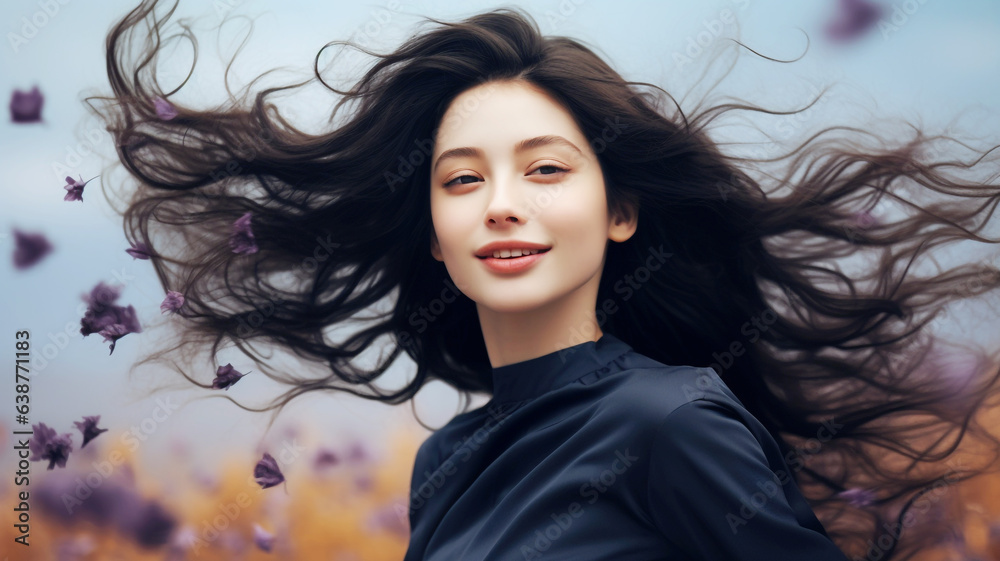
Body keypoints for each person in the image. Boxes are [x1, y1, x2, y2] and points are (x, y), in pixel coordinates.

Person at [89, 1, 1000, 559]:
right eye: (462, 179)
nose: (502, 206)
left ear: (620, 212)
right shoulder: (448, 462)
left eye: (547, 169)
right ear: (436, 239)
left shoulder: (668, 422)